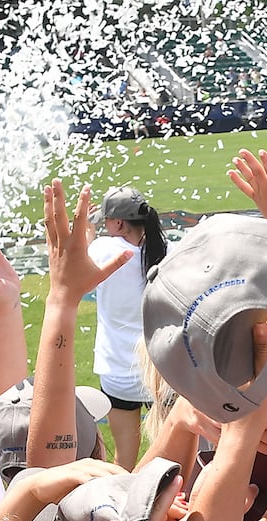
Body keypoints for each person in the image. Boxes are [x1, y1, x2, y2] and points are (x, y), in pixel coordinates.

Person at [88, 185, 168, 469]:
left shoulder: (103, 248)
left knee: (123, 459)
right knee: (168, 451)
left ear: (118, 223)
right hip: (159, 370)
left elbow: (85, 262)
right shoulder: (163, 251)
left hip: (117, 373)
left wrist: (88, 226)